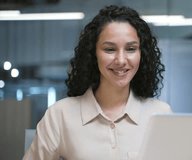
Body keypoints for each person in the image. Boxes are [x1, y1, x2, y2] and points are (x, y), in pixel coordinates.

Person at [23, 5, 172, 160]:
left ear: (142, 54)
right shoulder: (60, 115)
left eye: (131, 49)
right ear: (93, 54)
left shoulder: (160, 114)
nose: (121, 60)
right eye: (109, 49)